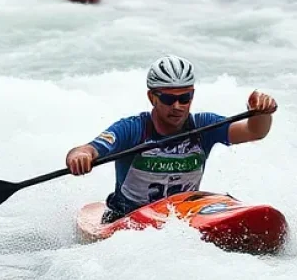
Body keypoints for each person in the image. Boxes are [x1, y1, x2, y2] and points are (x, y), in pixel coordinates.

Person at [65, 55, 278, 222]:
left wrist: (261, 112)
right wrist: (80, 156)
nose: (177, 106)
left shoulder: (204, 125)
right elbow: (88, 149)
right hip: (127, 219)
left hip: (181, 217)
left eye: (185, 98)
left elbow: (254, 132)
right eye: (168, 99)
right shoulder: (132, 129)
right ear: (152, 98)